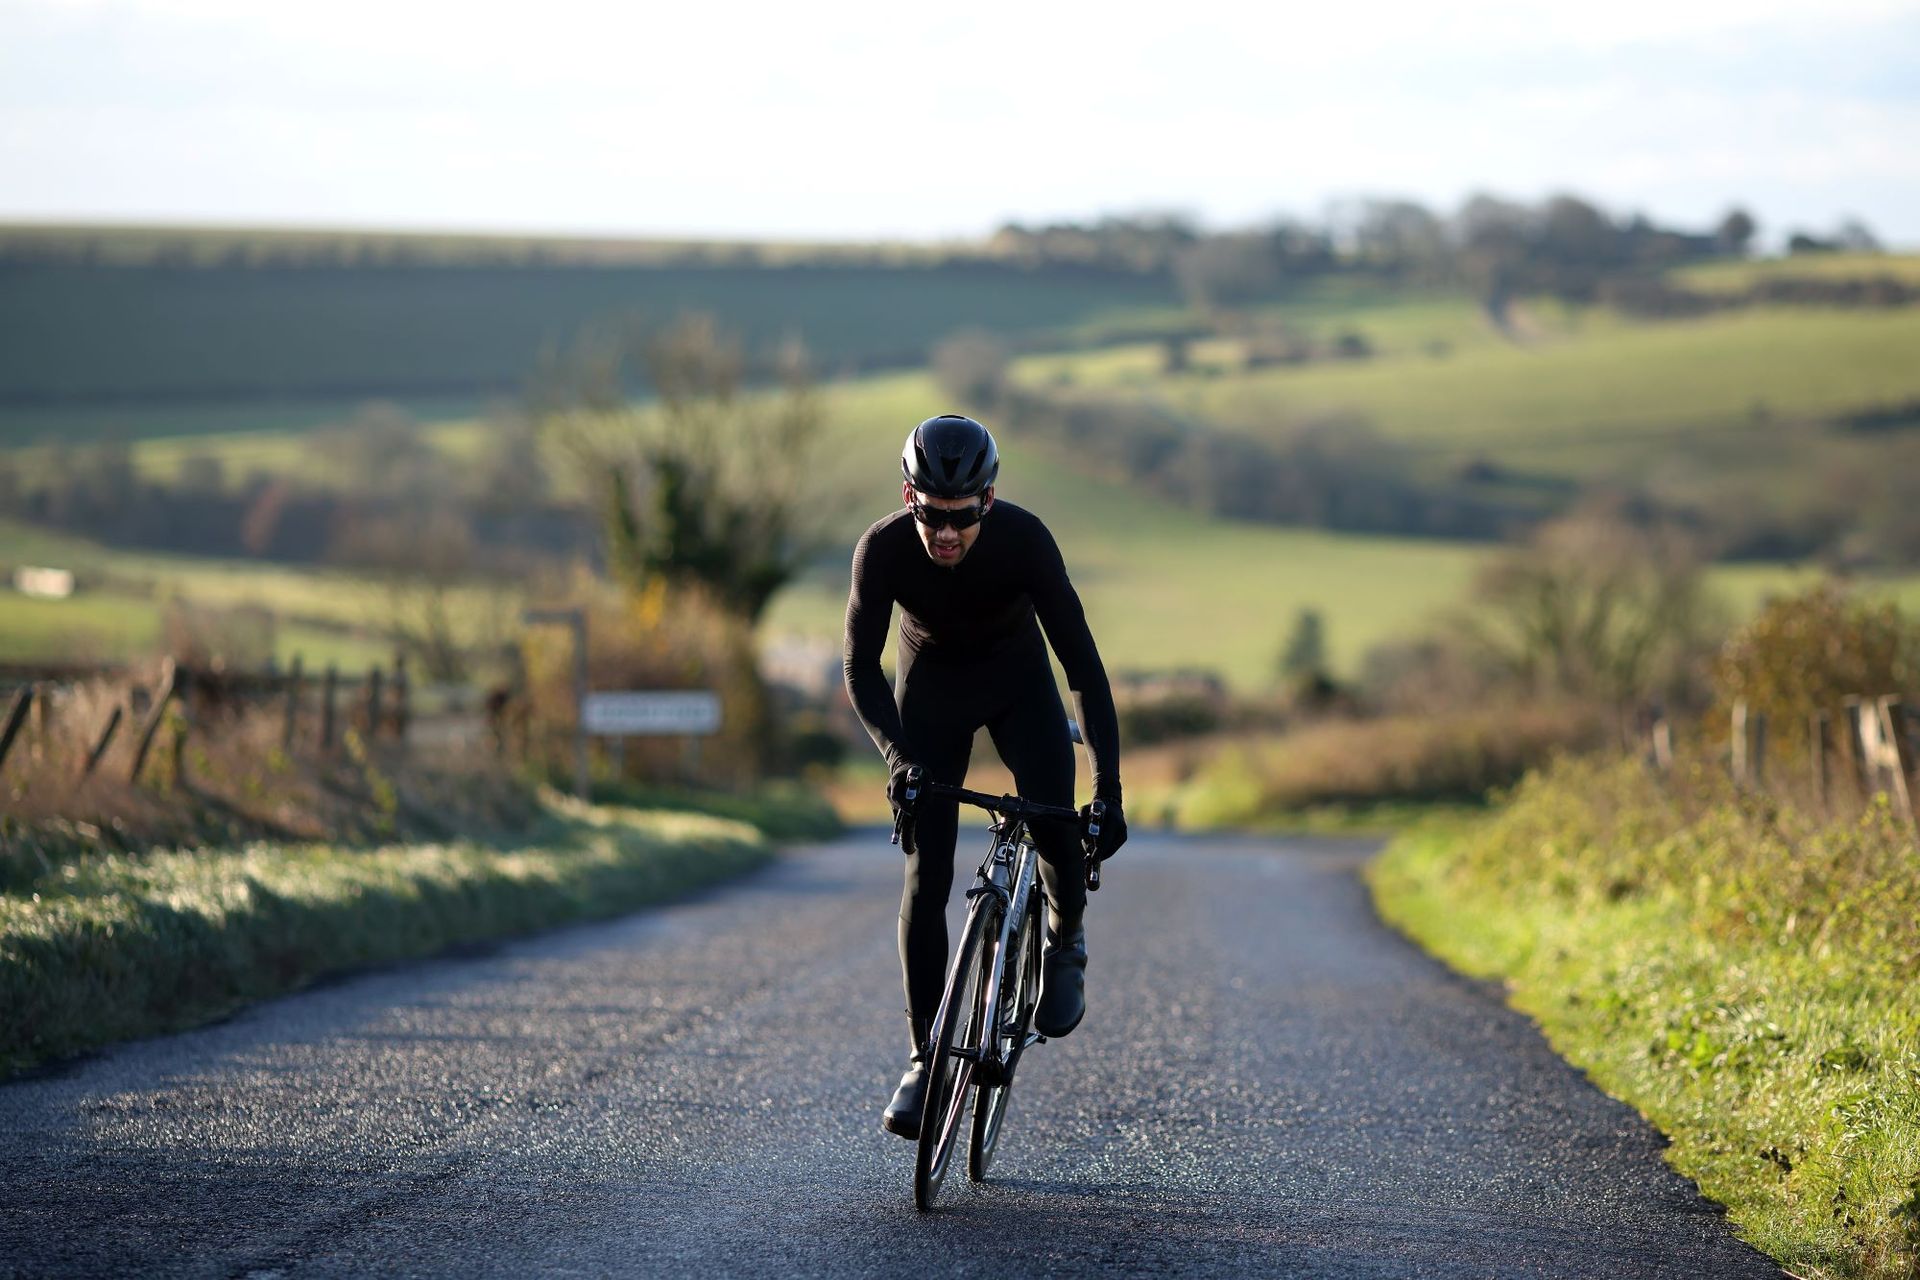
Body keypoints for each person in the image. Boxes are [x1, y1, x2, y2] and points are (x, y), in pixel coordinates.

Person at [842, 413, 1128, 1139]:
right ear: (908, 496)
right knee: (924, 871)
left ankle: (1065, 939)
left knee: (1054, 819)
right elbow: (858, 668)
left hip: (1016, 681)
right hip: (931, 685)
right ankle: (923, 1057)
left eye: (961, 517)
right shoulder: (880, 551)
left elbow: (1084, 674)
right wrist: (899, 760)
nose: (945, 533)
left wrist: (1110, 793)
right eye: (930, 515)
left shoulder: (1025, 542)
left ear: (988, 502)